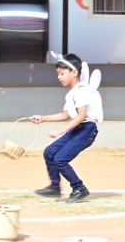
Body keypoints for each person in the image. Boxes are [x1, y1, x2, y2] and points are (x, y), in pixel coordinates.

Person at [30, 53, 101, 203]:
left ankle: (79, 188)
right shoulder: (72, 94)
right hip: (78, 129)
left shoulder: (81, 91)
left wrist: (60, 131)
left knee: (60, 159)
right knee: (49, 153)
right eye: (58, 74)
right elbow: (65, 114)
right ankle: (55, 187)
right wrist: (42, 118)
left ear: (74, 72)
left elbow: (82, 115)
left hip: (87, 129)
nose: (59, 77)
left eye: (62, 73)